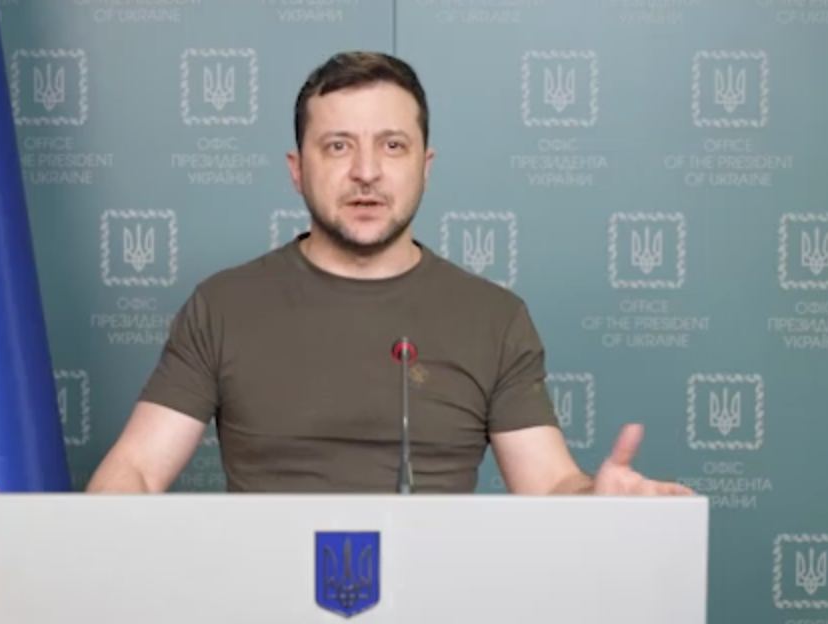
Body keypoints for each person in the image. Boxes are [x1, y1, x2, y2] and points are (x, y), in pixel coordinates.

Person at [87, 51, 692, 496]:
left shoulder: (495, 318)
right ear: (296, 170)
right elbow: (135, 468)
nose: (367, 172)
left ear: (425, 166)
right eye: (338, 146)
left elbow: (550, 485)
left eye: (393, 146)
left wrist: (596, 500)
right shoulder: (222, 306)